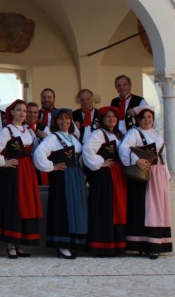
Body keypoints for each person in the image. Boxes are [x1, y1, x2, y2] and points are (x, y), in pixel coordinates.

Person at [0, 100, 42, 258]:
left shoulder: (28, 131)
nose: (22, 113)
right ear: (11, 112)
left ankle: (19, 244)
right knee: (15, 205)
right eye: (19, 110)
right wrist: (4, 162)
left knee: (26, 205)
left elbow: (35, 151)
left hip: (27, 172)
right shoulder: (7, 131)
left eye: (24, 110)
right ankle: (11, 244)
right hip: (14, 173)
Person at [119, 105, 172, 259]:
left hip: (159, 174)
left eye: (150, 117)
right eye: (144, 117)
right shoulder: (134, 132)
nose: (147, 120)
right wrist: (138, 160)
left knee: (159, 208)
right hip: (145, 176)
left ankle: (158, 243)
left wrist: (166, 173)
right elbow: (124, 149)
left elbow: (164, 156)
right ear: (138, 120)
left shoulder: (157, 135)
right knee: (149, 209)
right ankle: (148, 245)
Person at [33, 108, 87, 259]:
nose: (65, 121)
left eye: (67, 119)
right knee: (63, 209)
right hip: (62, 178)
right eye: (61, 119)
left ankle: (71, 243)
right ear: (56, 122)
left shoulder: (73, 138)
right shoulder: (53, 138)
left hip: (75, 177)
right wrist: (52, 167)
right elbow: (39, 153)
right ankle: (62, 245)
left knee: (74, 209)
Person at [82, 106, 127, 256]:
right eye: (108, 117)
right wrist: (100, 163)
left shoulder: (118, 135)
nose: (112, 119)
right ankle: (102, 245)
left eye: (114, 116)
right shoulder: (98, 134)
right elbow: (87, 151)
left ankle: (116, 244)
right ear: (102, 120)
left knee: (117, 208)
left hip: (117, 176)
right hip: (105, 177)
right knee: (105, 208)